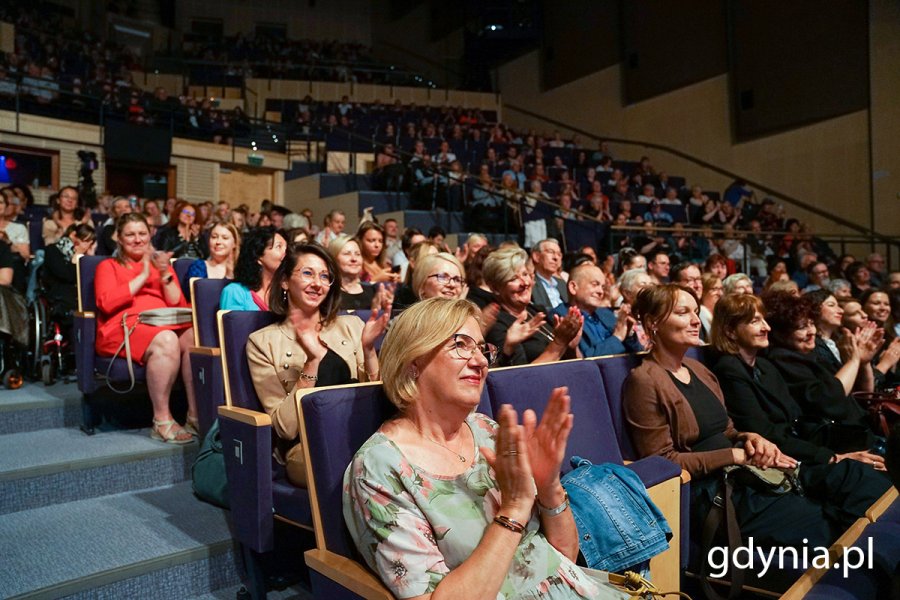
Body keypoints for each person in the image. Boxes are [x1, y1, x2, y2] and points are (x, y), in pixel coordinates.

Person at [344, 298, 612, 599]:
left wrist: (549, 485)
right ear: (412, 362)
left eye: (482, 349)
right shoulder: (378, 469)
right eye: (461, 345)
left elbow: (565, 556)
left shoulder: (486, 430)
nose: (481, 361)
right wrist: (513, 510)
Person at [623, 284, 885, 582]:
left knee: (858, 477)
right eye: (684, 312)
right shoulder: (644, 381)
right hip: (715, 493)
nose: (696, 319)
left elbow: (728, 429)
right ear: (653, 323)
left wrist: (749, 438)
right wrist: (732, 454)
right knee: (822, 523)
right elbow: (662, 462)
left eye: (696, 311)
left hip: (748, 471)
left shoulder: (698, 369)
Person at [248, 243, 388, 487]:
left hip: (361, 432)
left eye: (325, 276)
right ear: (284, 281)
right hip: (305, 445)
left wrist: (368, 351)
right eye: (307, 273)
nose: (318, 283)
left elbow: (381, 400)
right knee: (364, 465)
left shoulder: (352, 326)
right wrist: (312, 363)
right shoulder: (262, 342)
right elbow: (284, 428)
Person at [712, 293, 888, 473]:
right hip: (784, 460)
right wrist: (832, 457)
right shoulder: (729, 369)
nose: (766, 327)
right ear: (730, 331)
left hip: (807, 445)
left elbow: (794, 417)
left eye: (764, 320)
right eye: (755, 321)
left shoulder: (764, 366)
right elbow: (765, 433)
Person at [94, 213, 197, 444]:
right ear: (118, 238)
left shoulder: (160, 265)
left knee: (191, 336)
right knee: (167, 339)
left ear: (150, 235)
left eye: (142, 233)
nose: (138, 239)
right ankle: (161, 419)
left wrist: (163, 273)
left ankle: (194, 414)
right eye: (130, 234)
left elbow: (176, 303)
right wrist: (142, 273)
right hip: (123, 326)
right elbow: (106, 303)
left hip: (162, 322)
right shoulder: (107, 266)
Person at [762, 291, 880, 452]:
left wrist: (862, 361)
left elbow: (862, 394)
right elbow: (831, 398)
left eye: (811, 324)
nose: (811, 332)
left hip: (860, 431)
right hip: (835, 444)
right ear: (781, 334)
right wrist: (854, 359)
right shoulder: (783, 358)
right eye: (802, 327)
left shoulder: (809, 354)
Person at [483, 246, 582, 366]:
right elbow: (520, 376)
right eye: (514, 278)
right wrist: (559, 343)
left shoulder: (537, 311)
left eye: (525, 274)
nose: (525, 283)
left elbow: (573, 364)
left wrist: (571, 346)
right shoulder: (496, 326)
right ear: (495, 288)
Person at [558, 262, 641, 357]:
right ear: (573, 287)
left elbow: (639, 354)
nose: (601, 291)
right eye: (594, 284)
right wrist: (617, 337)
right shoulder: (561, 317)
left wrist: (628, 334)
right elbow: (585, 360)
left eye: (603, 287)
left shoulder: (607, 314)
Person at [42, 223, 96, 329]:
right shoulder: (53, 250)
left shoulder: (88, 254)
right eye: (85, 241)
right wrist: (78, 255)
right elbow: (67, 275)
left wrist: (90, 257)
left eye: (90, 242)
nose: (87, 245)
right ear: (73, 235)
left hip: (84, 293)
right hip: (61, 295)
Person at [220, 228, 286, 311]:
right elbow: (235, 323)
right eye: (279, 246)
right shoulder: (235, 292)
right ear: (258, 256)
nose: (286, 252)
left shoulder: (288, 291)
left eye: (286, 248)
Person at [182, 221, 240, 298]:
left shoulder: (242, 269)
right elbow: (194, 298)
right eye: (214, 237)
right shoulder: (198, 267)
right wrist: (227, 278)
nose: (218, 242)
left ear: (234, 243)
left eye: (225, 238)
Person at [328, 234, 374, 311]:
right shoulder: (329, 293)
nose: (354, 259)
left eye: (357, 254)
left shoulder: (373, 292)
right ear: (333, 258)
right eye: (347, 254)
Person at [530, 239, 567, 313]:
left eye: (559, 254)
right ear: (536, 256)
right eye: (551, 252)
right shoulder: (530, 283)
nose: (556, 258)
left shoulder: (562, 283)